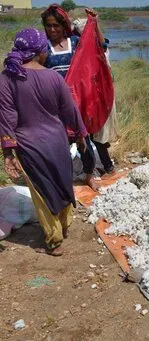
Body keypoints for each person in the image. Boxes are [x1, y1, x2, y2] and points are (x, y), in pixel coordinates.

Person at [0, 28, 87, 256]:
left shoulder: (7, 78)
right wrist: (81, 133)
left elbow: (7, 116)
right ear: (38, 50)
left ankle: (54, 239)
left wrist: (8, 151)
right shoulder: (53, 77)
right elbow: (70, 110)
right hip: (57, 140)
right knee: (62, 181)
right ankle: (65, 226)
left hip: (29, 145)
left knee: (42, 191)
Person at [41, 4, 104, 190]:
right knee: (59, 142)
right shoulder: (43, 48)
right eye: (48, 26)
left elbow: (100, 46)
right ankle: (61, 178)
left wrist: (94, 23)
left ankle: (89, 174)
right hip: (54, 104)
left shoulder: (75, 42)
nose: (52, 29)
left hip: (78, 103)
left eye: (56, 26)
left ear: (63, 25)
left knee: (84, 140)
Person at [72, 18, 118, 175]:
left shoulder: (98, 49)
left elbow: (102, 43)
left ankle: (105, 166)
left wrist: (95, 23)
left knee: (98, 133)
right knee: (86, 133)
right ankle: (93, 168)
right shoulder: (78, 49)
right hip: (86, 97)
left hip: (99, 97)